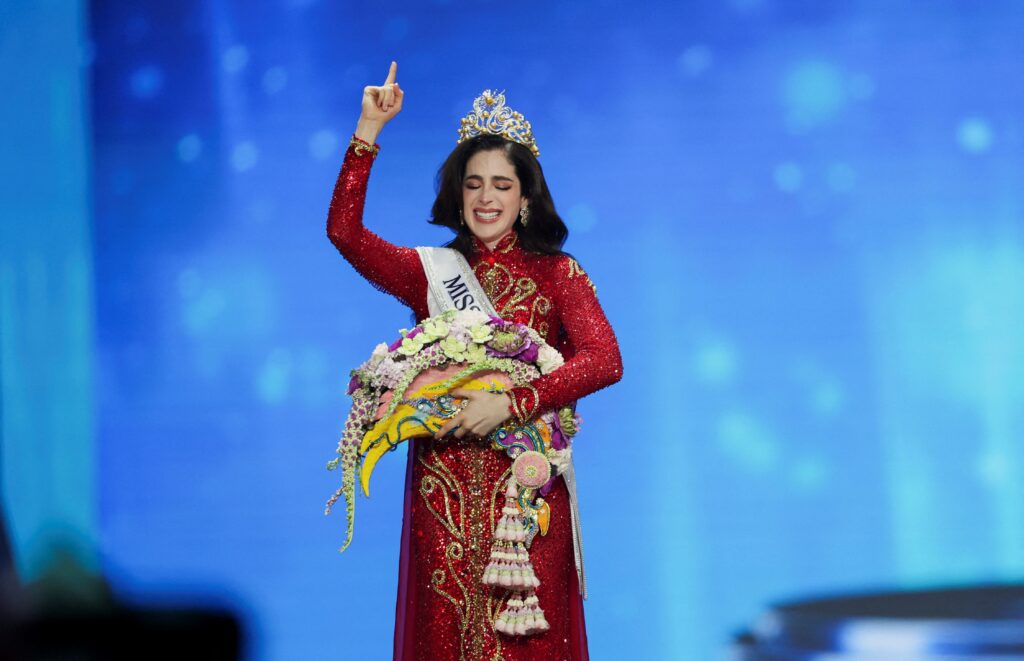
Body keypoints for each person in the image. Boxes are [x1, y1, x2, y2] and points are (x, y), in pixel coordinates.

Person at [326, 61, 622, 661]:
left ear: (526, 197)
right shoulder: (427, 272)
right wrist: (368, 130)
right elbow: (345, 233)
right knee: (447, 633)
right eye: (473, 184)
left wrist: (511, 403)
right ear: (456, 197)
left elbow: (604, 360)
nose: (487, 198)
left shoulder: (557, 273)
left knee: (524, 641)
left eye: (502, 185)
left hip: (525, 491)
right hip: (444, 481)